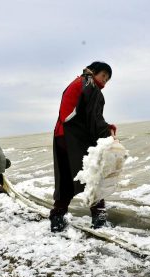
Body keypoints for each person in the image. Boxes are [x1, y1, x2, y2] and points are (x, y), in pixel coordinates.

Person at [51, 61, 117, 232]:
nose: (104, 82)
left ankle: (57, 218)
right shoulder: (90, 86)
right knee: (93, 174)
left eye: (107, 80)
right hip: (74, 138)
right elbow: (93, 118)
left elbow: (75, 114)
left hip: (60, 136)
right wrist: (108, 131)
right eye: (103, 76)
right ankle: (99, 219)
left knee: (65, 177)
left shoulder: (77, 83)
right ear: (94, 72)